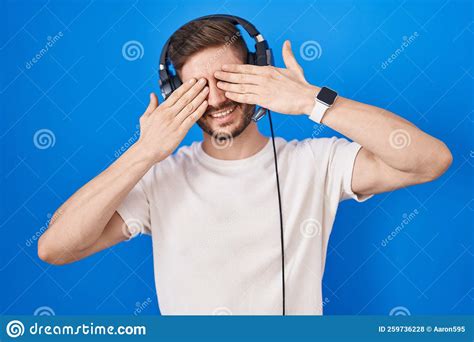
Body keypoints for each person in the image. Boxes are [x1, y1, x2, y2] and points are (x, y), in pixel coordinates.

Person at [38, 19, 452, 315]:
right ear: (173, 93)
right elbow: (55, 247)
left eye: (229, 79)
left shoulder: (315, 163)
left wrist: (313, 101)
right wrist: (144, 152)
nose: (217, 100)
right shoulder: (157, 179)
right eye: (198, 88)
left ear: (258, 71)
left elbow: (430, 160)